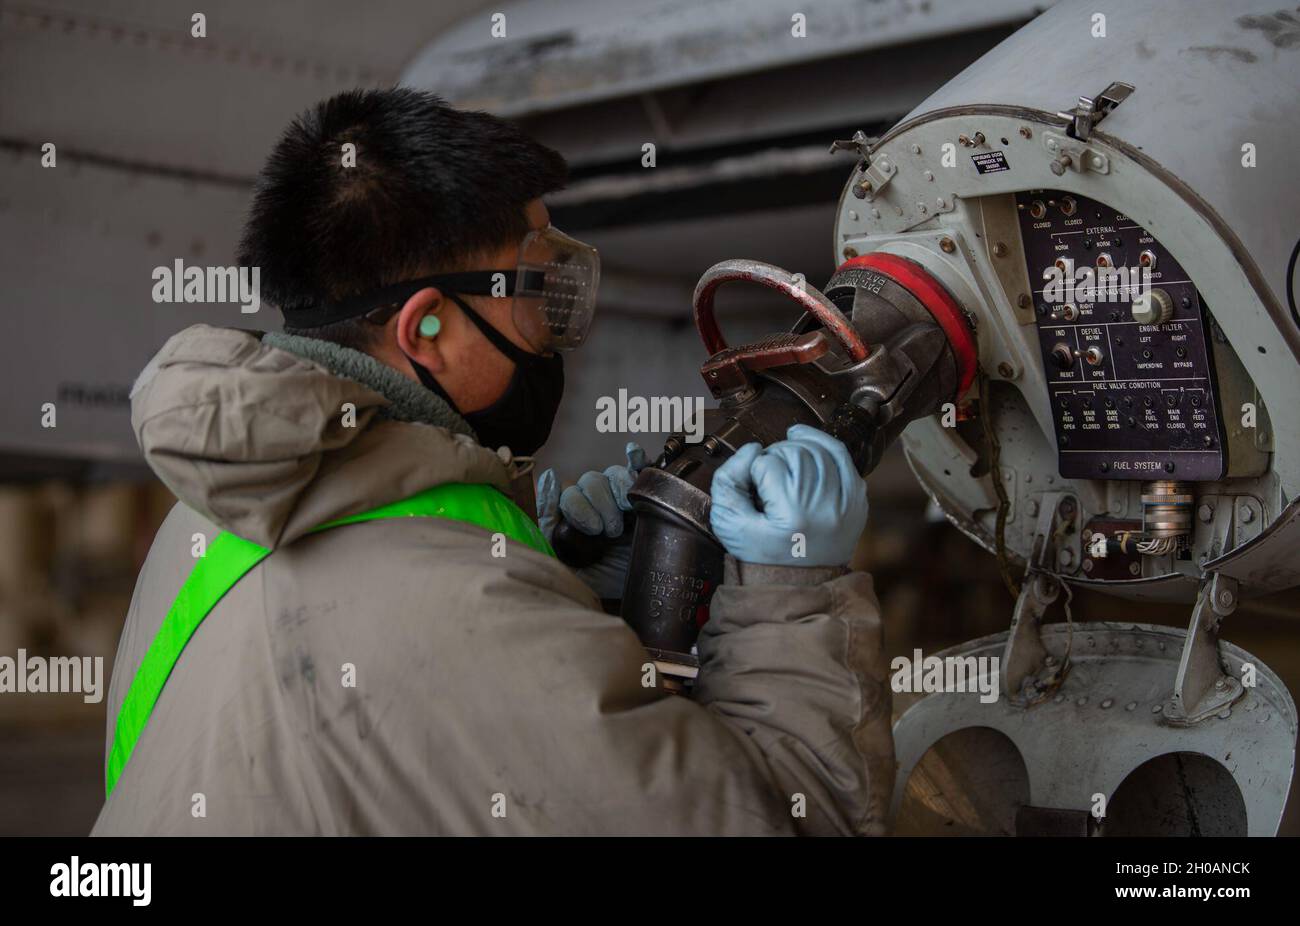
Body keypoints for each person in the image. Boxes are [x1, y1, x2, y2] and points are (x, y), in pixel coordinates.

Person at [92, 88, 893, 835]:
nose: (554, 329)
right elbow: (788, 818)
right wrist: (793, 600)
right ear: (426, 329)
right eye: (538, 293)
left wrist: (558, 588)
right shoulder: (457, 614)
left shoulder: (203, 528)